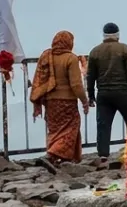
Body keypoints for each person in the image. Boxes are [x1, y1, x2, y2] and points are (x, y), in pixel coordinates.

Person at [29, 31, 89, 165]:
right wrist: (84, 100)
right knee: (71, 127)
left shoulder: (46, 56)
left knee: (55, 130)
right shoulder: (71, 58)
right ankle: (52, 154)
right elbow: (76, 84)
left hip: (50, 101)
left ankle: (62, 157)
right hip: (67, 101)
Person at [86, 22, 127, 164]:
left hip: (103, 93)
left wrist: (90, 95)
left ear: (104, 35)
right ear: (117, 35)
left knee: (103, 124)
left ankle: (103, 154)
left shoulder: (95, 51)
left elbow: (90, 75)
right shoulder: (125, 49)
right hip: (122, 92)